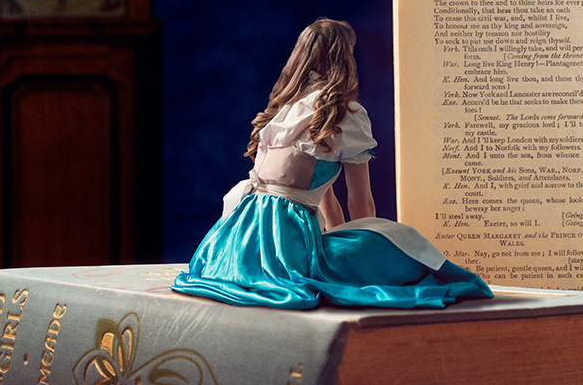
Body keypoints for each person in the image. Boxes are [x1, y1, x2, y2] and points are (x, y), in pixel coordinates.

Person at [174, 18, 492, 309]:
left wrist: (337, 234)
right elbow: (360, 201)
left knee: (342, 241)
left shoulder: (285, 107)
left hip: (236, 234)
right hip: (286, 239)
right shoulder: (344, 113)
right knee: (401, 242)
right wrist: (369, 240)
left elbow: (319, 194)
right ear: (345, 59)